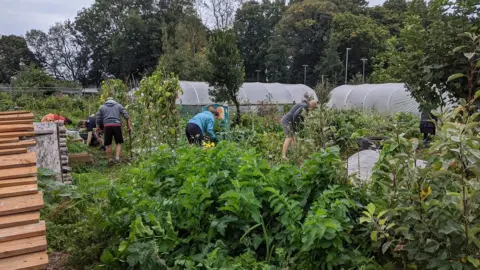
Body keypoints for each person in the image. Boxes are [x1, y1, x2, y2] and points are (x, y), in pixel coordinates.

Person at [96, 97, 131, 163]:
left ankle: (110, 159)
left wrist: (98, 127)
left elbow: (98, 118)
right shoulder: (118, 105)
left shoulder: (102, 107)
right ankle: (117, 158)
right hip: (117, 125)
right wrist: (128, 126)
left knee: (108, 144)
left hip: (107, 126)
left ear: (106, 101)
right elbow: (126, 116)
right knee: (118, 143)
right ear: (114, 101)